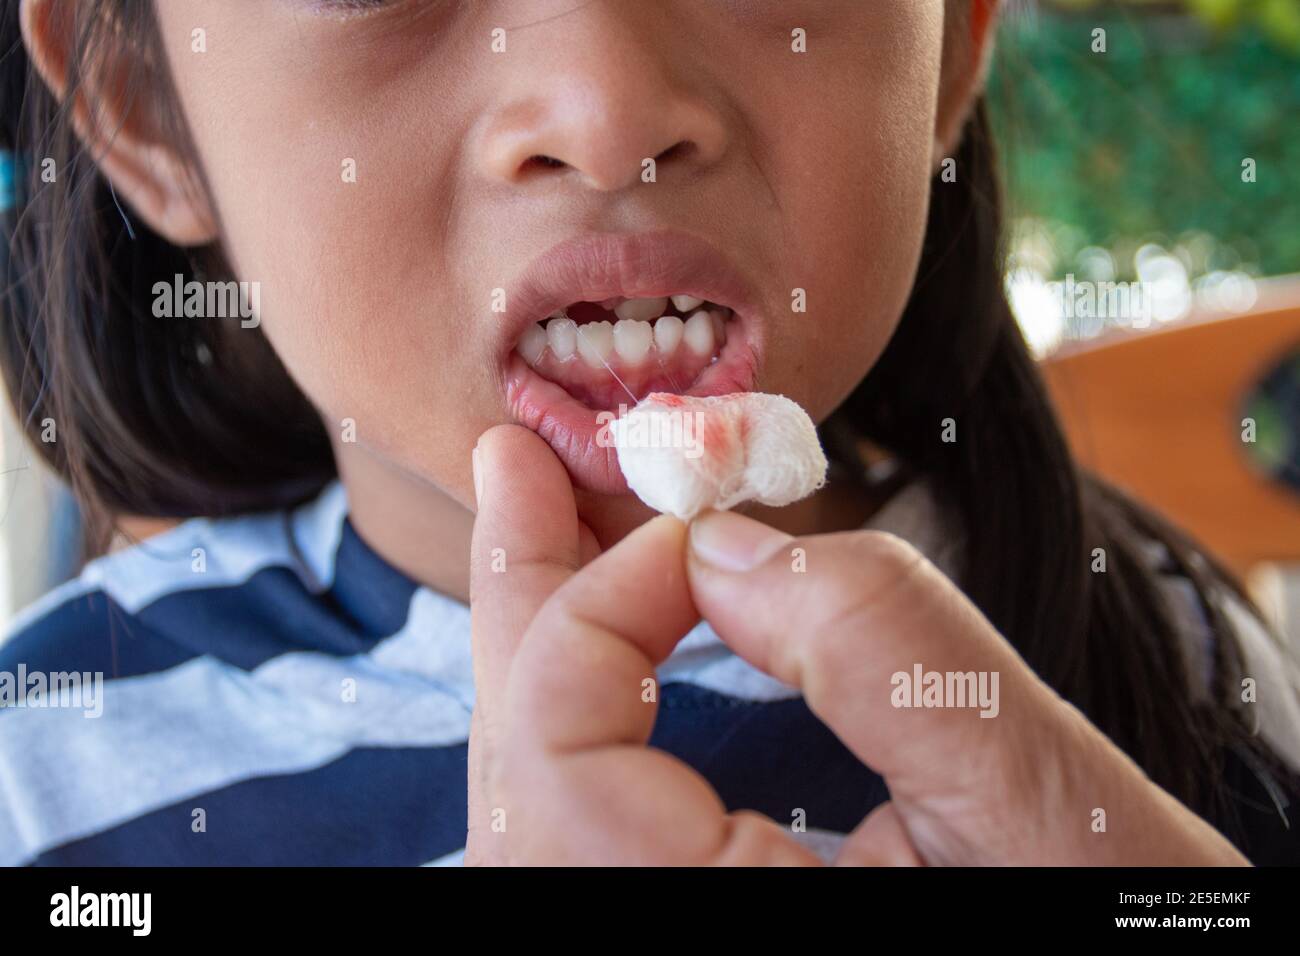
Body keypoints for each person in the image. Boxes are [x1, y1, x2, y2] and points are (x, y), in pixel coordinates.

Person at [0, 0, 1295, 866]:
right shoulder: (46, 766)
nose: (604, 110)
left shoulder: (1167, 654)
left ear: (951, 46)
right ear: (146, 107)